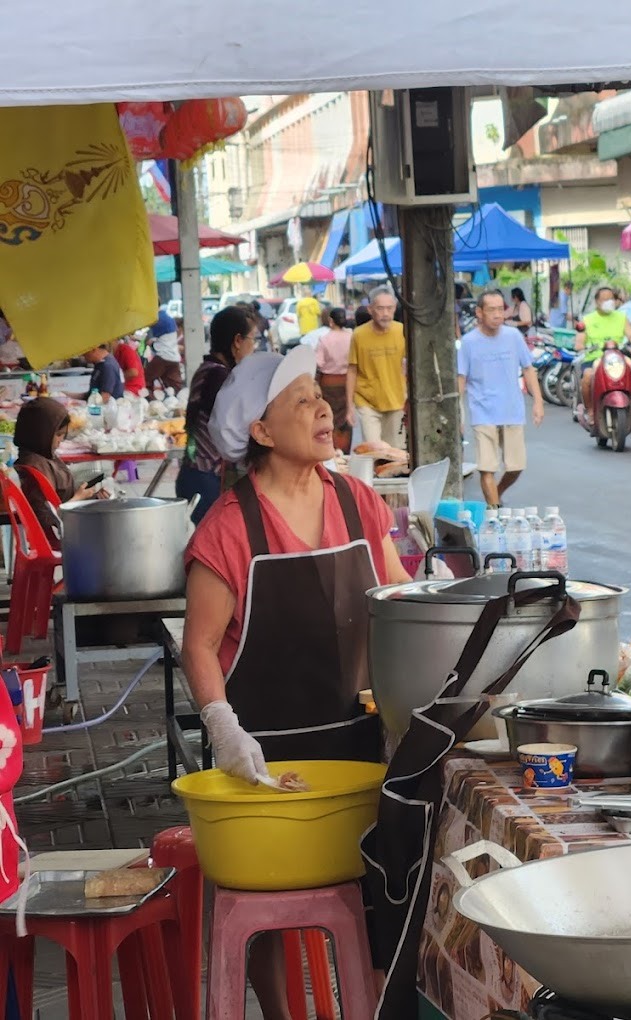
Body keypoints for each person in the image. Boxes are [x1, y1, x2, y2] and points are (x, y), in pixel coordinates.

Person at [182, 346, 409, 1019]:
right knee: (270, 905)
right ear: (260, 430)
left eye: (321, 394)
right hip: (265, 755)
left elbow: (397, 591)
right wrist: (224, 729)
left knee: (384, 890)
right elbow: (198, 647)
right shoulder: (228, 528)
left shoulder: (355, 499)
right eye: (303, 399)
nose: (324, 409)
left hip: (356, 739)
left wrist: (447, 605)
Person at [457, 291, 545, 507]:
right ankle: (494, 512)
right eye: (491, 310)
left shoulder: (513, 336)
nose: (497, 314)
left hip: (511, 410)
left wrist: (538, 402)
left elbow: (528, 368)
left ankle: (497, 493)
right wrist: (457, 413)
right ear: (479, 312)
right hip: (482, 412)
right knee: (487, 467)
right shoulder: (468, 342)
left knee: (516, 466)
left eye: (500, 309)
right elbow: (460, 380)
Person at [176, 306, 259, 524]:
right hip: (204, 478)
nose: (254, 347)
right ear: (238, 341)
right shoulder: (218, 377)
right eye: (253, 340)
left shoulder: (210, 370)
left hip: (197, 473)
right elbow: (240, 424)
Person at [15, 397, 107, 544]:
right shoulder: (33, 467)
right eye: (58, 435)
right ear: (40, 433)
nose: (61, 440)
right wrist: (78, 499)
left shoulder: (43, 456)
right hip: (58, 538)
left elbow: (58, 497)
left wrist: (91, 497)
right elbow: (44, 517)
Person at [346, 285, 406, 447]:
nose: (385, 313)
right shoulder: (359, 334)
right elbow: (352, 370)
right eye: (380, 308)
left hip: (397, 401)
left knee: (396, 454)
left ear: (395, 308)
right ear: (370, 309)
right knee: (375, 451)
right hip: (367, 401)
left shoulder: (402, 331)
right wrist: (349, 406)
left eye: (390, 308)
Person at [574, 286, 631, 414]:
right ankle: (590, 410)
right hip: (594, 358)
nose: (609, 302)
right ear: (597, 302)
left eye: (611, 299)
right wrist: (581, 346)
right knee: (587, 377)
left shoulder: (621, 317)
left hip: (617, 357)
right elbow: (579, 342)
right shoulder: (588, 320)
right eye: (605, 299)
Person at [315, 308, 354, 453]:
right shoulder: (351, 337)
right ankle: (344, 449)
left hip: (328, 383)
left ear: (331, 321)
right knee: (344, 418)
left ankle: (332, 448)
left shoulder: (325, 339)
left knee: (330, 416)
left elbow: (318, 362)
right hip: (347, 382)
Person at [145, 308, 185, 392]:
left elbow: (151, 339)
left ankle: (151, 400)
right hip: (174, 358)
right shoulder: (168, 319)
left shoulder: (157, 318)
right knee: (175, 386)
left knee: (145, 378)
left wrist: (151, 343)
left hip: (163, 356)